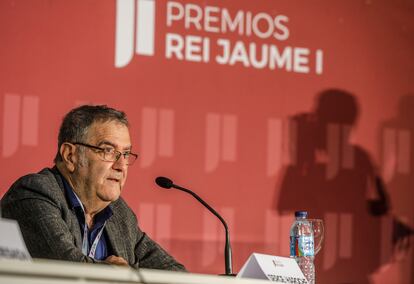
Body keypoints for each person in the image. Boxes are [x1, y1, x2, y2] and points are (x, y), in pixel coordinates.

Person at [1, 105, 186, 271]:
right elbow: (66, 268)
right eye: (108, 151)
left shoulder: (119, 213)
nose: (121, 165)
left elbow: (172, 272)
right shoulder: (35, 193)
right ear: (70, 155)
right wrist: (120, 274)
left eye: (126, 154)